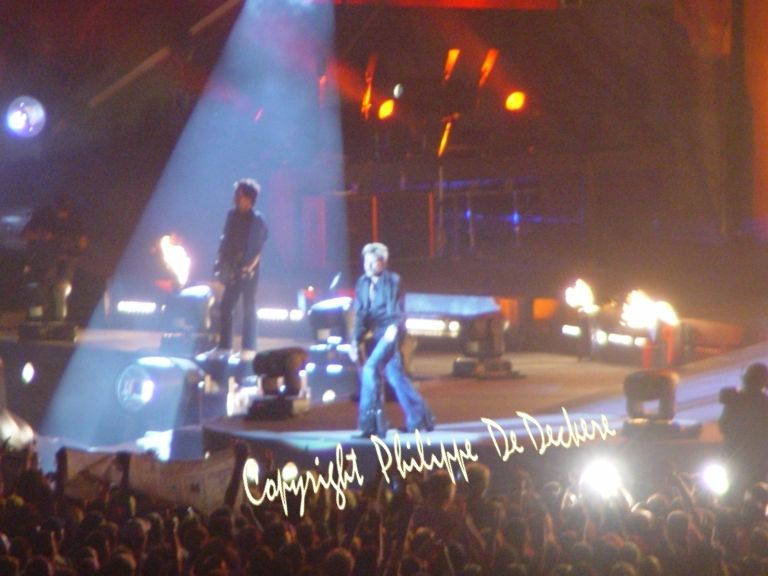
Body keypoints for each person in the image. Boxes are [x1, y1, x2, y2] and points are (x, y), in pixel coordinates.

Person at [349, 242, 434, 438]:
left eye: (373, 262)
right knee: (395, 376)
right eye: (366, 261)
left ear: (383, 262)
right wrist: (355, 341)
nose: (368, 266)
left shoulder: (393, 281)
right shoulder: (362, 283)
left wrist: (393, 330)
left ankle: (371, 426)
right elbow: (361, 315)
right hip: (377, 333)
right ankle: (420, 419)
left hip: (391, 331)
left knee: (370, 369)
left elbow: (395, 311)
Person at [206, 179, 268, 361]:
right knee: (226, 306)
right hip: (232, 268)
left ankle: (248, 348)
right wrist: (221, 263)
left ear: (249, 199)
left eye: (239, 195)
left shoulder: (257, 220)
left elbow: (258, 249)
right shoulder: (232, 216)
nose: (235, 198)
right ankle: (224, 347)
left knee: (249, 307)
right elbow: (225, 240)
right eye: (236, 195)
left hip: (249, 270)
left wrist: (247, 268)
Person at [20, 195, 88, 321]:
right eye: (61, 210)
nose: (63, 213)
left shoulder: (75, 222)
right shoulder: (42, 219)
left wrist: (72, 249)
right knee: (39, 290)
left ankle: (59, 319)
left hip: (65, 262)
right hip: (43, 261)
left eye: (65, 210)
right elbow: (25, 235)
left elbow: (82, 243)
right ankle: (37, 319)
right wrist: (42, 236)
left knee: (61, 288)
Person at [718, 362, 768, 494]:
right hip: (754, 459)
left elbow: (723, 424)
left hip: (734, 456)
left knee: (732, 492)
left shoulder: (734, 399)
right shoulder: (763, 403)